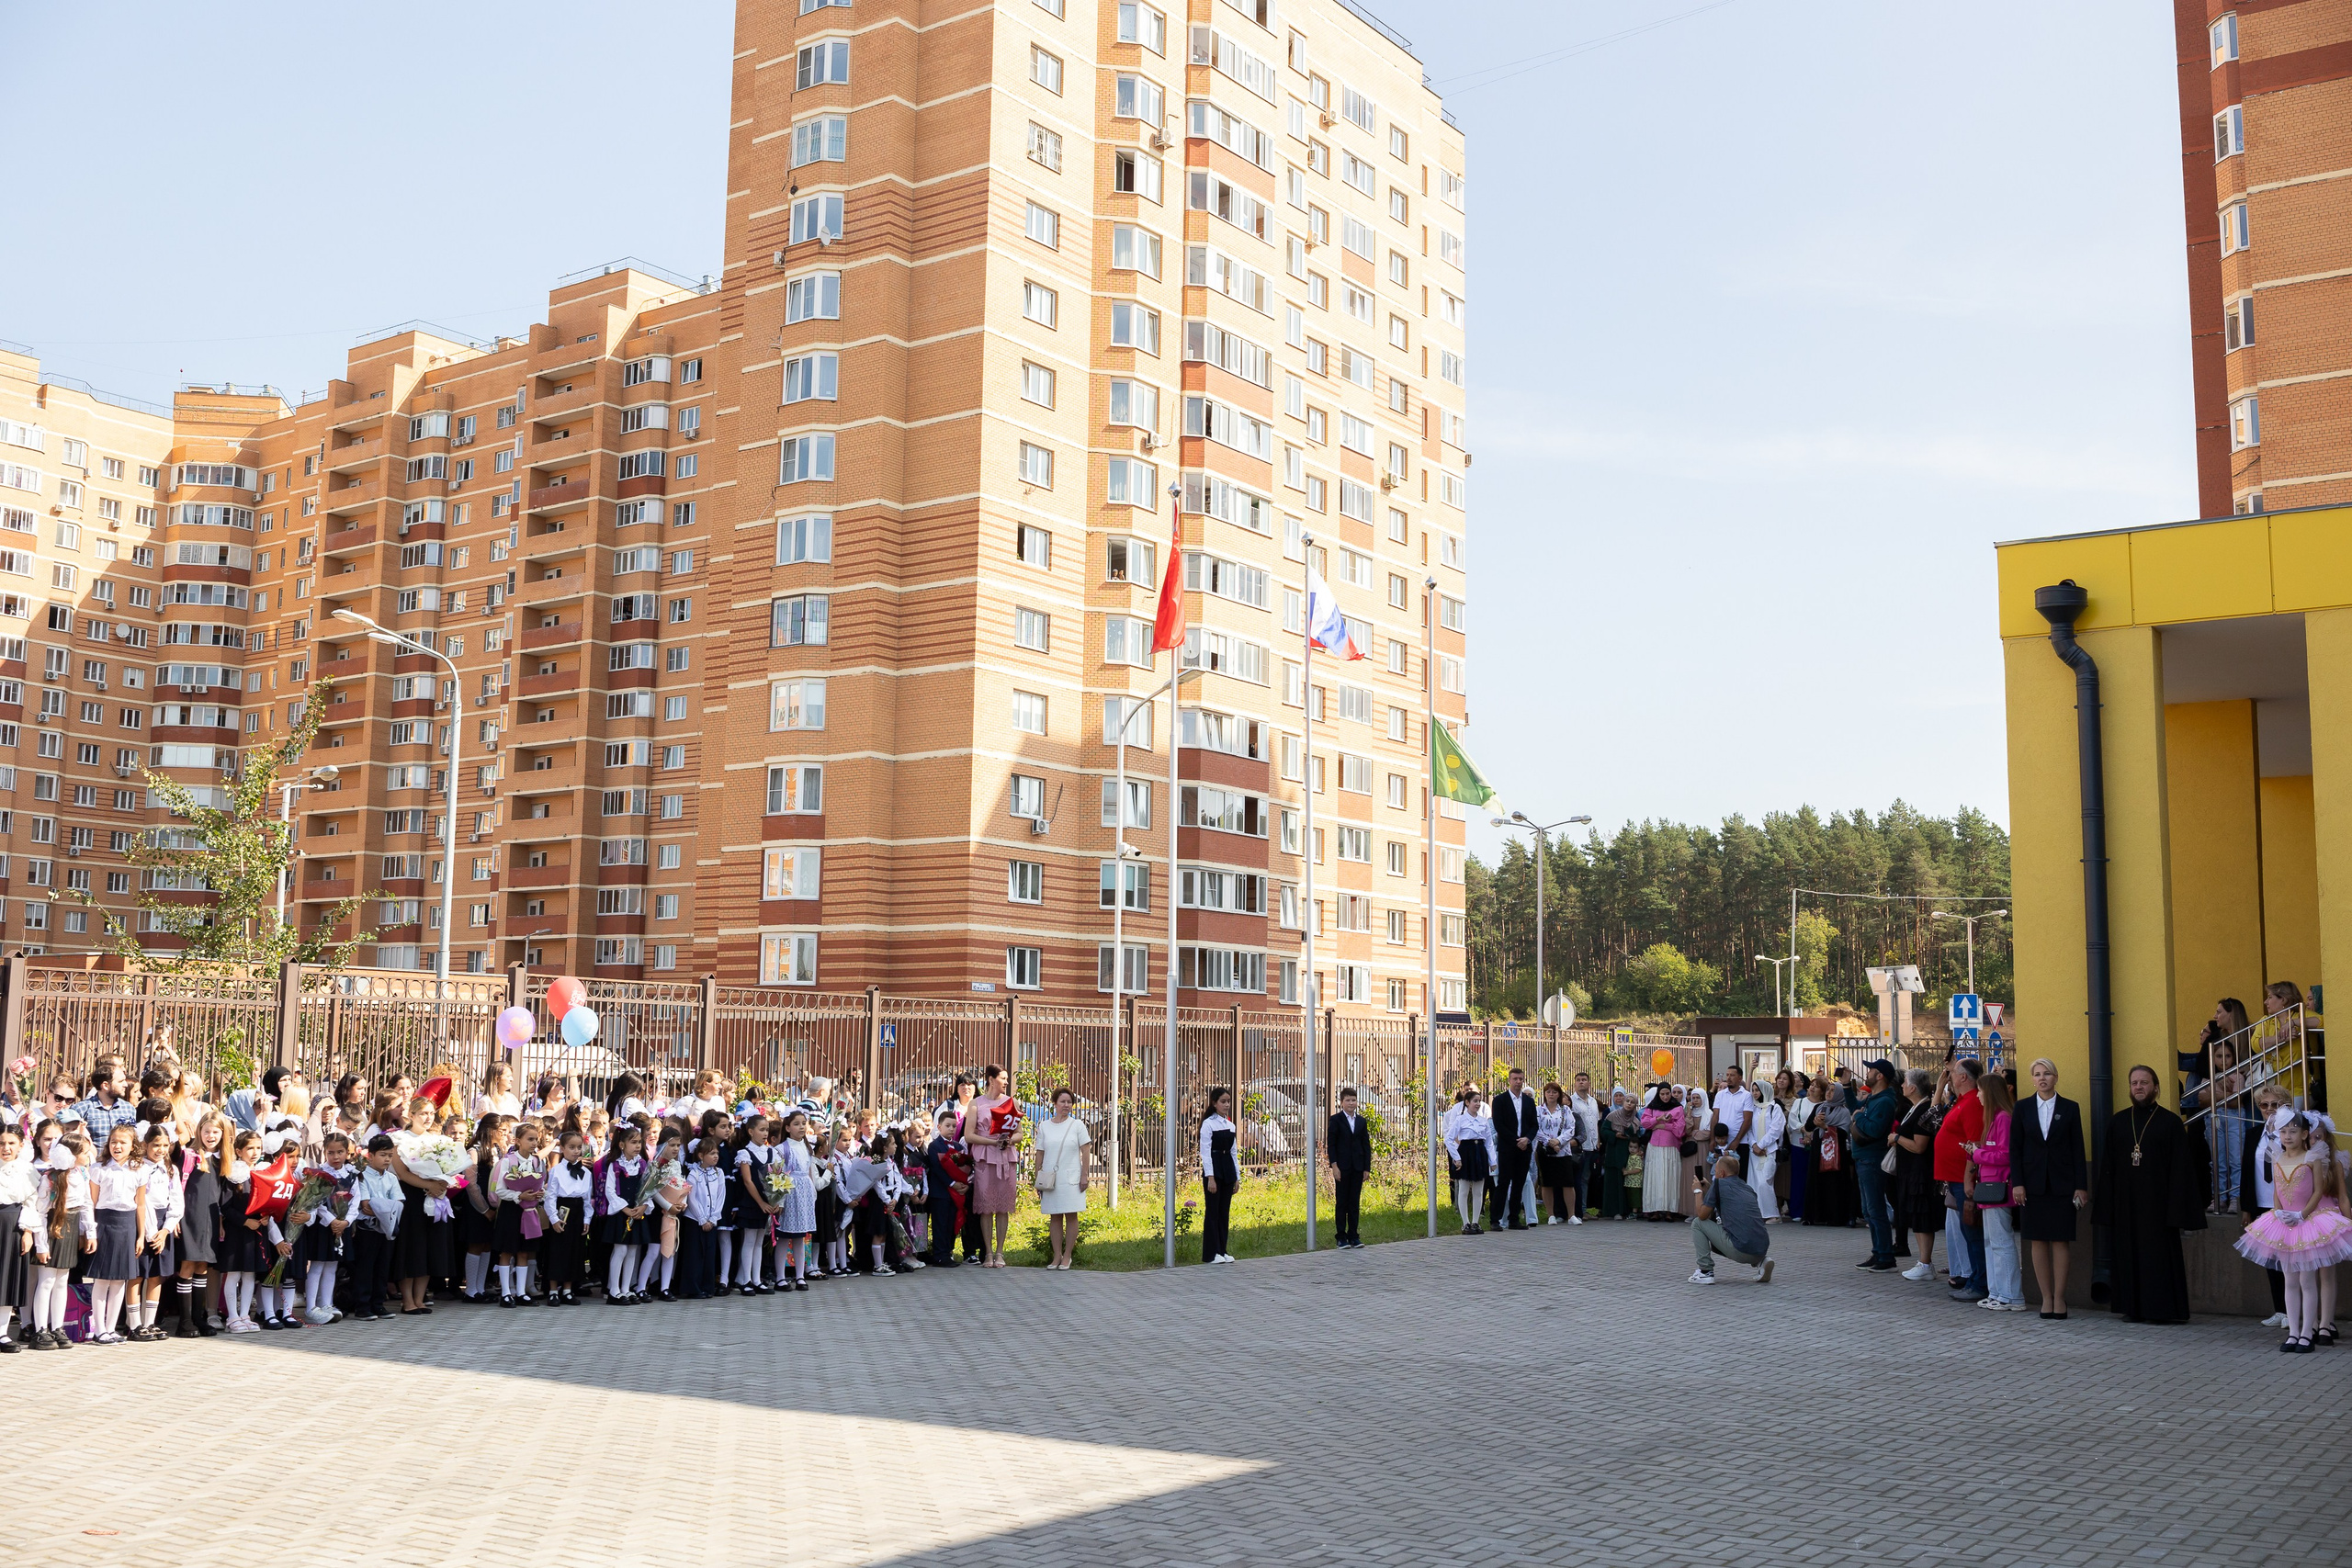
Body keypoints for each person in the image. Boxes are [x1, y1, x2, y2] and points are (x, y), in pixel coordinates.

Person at [2092, 1065, 2205, 1324]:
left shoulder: (2170, 1122)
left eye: (2144, 1082)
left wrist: (2177, 1209)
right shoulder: (2119, 1122)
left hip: (2159, 1205)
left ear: (2155, 1087)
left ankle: (2162, 1311)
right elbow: (2108, 1167)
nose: (2139, 1087)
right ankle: (2133, 1308)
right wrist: (2108, 1205)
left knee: (2158, 1258)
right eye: (2134, 1083)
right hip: (2127, 1204)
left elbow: (2181, 1169)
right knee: (2128, 1255)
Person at [2234, 1111, 2352, 1351]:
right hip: (2284, 1224)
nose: (2287, 1136)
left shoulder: (2313, 1158)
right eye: (2283, 1132)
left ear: (2304, 1134)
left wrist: (2302, 1214)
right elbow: (2277, 1190)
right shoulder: (2277, 1156)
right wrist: (2278, 1212)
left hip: (2308, 1222)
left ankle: (2310, 1331)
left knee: (2308, 1280)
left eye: (2293, 1131)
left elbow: (2318, 1191)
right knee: (2290, 1280)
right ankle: (2294, 1333)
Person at [2008, 1056, 2087, 1319]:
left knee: (2060, 1240)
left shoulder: (2070, 1108)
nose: (2042, 1078)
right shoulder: (2022, 1108)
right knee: (2038, 1240)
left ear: (2055, 1078)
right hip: (2032, 1185)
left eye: (2047, 1074)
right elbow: (2015, 1149)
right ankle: (2046, 1298)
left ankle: (2060, 1298)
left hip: (2062, 1184)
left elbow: (2078, 1149)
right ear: (2032, 1079)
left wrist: (2081, 1186)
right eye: (2037, 1074)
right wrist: (2018, 1183)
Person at [2238, 1084, 2296, 1326]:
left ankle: (2294, 1312)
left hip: (2288, 1204)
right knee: (2271, 1259)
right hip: (2262, 1204)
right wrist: (2246, 1208)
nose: (2269, 1109)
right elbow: (2247, 1172)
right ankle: (2280, 1310)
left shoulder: (2291, 1135)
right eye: (2264, 1105)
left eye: (2276, 1104)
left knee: (2290, 1260)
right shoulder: (2253, 1134)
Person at [1933, 1059, 1988, 1302]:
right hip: (1955, 1178)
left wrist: (1968, 1179)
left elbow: (1974, 1144)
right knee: (1967, 1232)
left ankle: (1980, 1284)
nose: (1950, 1076)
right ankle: (1974, 1278)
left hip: (1963, 1179)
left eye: (1953, 1072)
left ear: (1964, 1077)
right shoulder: (1962, 1100)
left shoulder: (1973, 1103)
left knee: (1973, 1232)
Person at [1969, 1070, 2024, 1311]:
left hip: (1999, 1187)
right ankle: (1997, 1293)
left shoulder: (2003, 1118)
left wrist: (1978, 1154)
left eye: (1980, 1091)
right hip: (1990, 1188)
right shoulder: (1994, 1118)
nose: (1978, 1095)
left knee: (2001, 1242)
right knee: (1992, 1242)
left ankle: (2011, 1296)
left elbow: (2006, 1155)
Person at [1844, 1060, 1903, 1270]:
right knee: (1869, 1210)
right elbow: (1855, 1108)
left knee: (1875, 1209)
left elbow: (1875, 1129)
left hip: (1872, 1159)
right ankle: (1878, 1252)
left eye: (1871, 1070)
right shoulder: (1874, 1098)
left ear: (1880, 1076)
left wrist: (1859, 1118)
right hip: (1864, 1159)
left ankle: (1886, 1256)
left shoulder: (1885, 1101)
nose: (1867, 1073)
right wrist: (1846, 1086)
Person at [964, 1066, 1021, 1268]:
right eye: (1003, 1078)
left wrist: (1009, 1141)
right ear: (991, 1079)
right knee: (986, 1208)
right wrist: (992, 1142)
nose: (1006, 1082)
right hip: (985, 1159)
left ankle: (1000, 1253)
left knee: (1003, 1208)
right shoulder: (976, 1104)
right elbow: (968, 1135)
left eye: (1006, 1078)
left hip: (1006, 1159)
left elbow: (1019, 1133)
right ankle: (987, 1253)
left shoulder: (1012, 1102)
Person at [1891, 1069, 1945, 1282]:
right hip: (1909, 1172)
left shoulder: (1923, 1109)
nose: (1902, 1085)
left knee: (1922, 1218)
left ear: (1913, 1087)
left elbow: (1919, 1146)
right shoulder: (1914, 1108)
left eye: (1905, 1082)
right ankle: (1923, 1262)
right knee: (1915, 1216)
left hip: (1920, 1173)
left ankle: (1925, 1262)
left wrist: (1897, 1138)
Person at [1689, 1153, 1774, 1285]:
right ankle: (1761, 1261)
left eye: (1716, 1172)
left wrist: (1698, 1191)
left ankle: (1705, 1272)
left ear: (1721, 1173)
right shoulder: (1747, 1188)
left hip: (1741, 1250)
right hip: (1761, 1248)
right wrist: (1710, 1188)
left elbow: (1702, 1215)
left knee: (1697, 1223)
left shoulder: (1718, 1183)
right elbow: (1730, 1203)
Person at [347, 1134, 403, 1322]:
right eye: (382, 1155)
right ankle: (362, 1305)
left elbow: (398, 1203)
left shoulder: (392, 1178)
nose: (387, 1159)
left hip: (386, 1228)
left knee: (383, 1266)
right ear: (370, 1156)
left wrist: (382, 1207)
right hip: (367, 1229)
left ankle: (378, 1303)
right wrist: (385, 1206)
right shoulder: (362, 1176)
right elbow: (367, 1206)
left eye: (390, 1155)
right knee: (365, 1266)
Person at [1033, 1088, 1091, 1269]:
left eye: (1069, 1102)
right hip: (1051, 1178)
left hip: (1071, 1178)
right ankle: (1057, 1256)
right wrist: (1037, 1176)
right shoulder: (1045, 1126)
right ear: (1055, 1103)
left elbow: (1086, 1151)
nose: (1066, 1105)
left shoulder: (1077, 1125)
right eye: (1063, 1102)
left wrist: (1084, 1175)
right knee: (1055, 1216)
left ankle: (1067, 1256)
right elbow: (1040, 1152)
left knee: (1071, 1215)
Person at [1489, 1067, 1538, 1231]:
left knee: (1519, 1183)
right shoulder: (1500, 1100)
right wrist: (1515, 1140)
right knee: (1503, 1183)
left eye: (1520, 1079)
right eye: (1515, 1079)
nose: (1518, 1082)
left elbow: (1534, 1125)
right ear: (1509, 1080)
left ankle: (1514, 1219)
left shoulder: (1529, 1101)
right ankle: (1495, 1219)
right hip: (1507, 1148)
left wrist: (1527, 1139)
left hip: (1524, 1149)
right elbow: (1499, 1125)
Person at [1328, 1087, 1374, 1247]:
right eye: (1347, 1100)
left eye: (1353, 1100)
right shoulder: (1336, 1120)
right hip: (1342, 1167)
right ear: (1342, 1102)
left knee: (1354, 1203)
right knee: (1342, 1202)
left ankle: (1354, 1235)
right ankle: (1341, 1237)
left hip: (1358, 1167)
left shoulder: (1361, 1121)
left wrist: (1366, 1168)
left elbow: (1366, 1145)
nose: (1351, 1103)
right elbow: (1332, 1145)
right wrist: (1334, 1166)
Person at [1199, 1086, 1238, 1263]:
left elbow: (1233, 1152)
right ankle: (1211, 1253)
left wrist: (1236, 1177)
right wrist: (1210, 1177)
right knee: (1213, 1212)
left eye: (1228, 1101)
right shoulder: (1208, 1124)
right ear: (1214, 1103)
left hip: (1227, 1168)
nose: (1227, 1105)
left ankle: (1222, 1250)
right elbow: (1205, 1152)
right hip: (1214, 1169)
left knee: (1224, 1212)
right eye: (1223, 1101)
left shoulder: (1230, 1125)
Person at [1636, 1085, 1687, 1222]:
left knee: (1670, 1178)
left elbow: (1680, 1128)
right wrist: (1658, 1119)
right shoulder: (1652, 1107)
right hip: (1654, 1148)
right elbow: (1645, 1123)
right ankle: (1655, 1210)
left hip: (1671, 1147)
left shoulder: (1678, 1108)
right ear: (1658, 1094)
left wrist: (1663, 1126)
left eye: (1667, 1094)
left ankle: (1670, 1211)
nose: (1665, 1097)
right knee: (1655, 1178)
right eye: (1662, 1094)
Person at [1533, 1081, 1581, 1226]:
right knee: (1547, 1183)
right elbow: (1535, 1129)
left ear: (1559, 1094)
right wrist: (1549, 1142)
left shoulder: (1565, 1110)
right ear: (1544, 1094)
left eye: (1554, 1092)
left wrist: (1558, 1141)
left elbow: (1570, 1129)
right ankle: (1551, 1215)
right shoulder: (1539, 1110)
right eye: (1548, 1092)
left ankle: (1571, 1215)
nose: (1551, 1094)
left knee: (1568, 1183)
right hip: (1546, 1151)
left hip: (1563, 1151)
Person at [1599, 1089, 1639, 1220]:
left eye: (1632, 1102)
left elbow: (1636, 1135)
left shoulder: (1635, 1119)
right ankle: (1613, 1211)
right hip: (1614, 1151)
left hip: (1628, 1153)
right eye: (1627, 1101)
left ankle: (1625, 1211)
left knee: (1626, 1182)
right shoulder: (1613, 1116)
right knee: (1613, 1181)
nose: (1629, 1104)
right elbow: (1604, 1131)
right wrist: (1614, 1135)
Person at [1566, 1072, 1602, 1218]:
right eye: (1578, 1080)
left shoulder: (1593, 1101)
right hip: (1579, 1146)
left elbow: (1595, 1123)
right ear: (1575, 1083)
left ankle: (1584, 1209)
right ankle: (1578, 1210)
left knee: (1587, 1178)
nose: (1581, 1082)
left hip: (1592, 1146)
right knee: (1579, 1179)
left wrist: (1597, 1141)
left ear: (1589, 1083)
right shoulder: (1572, 1101)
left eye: (1584, 1080)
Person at [1747, 1083, 1785, 1221]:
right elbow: (1749, 1129)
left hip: (1769, 1151)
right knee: (1754, 1183)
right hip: (1754, 1152)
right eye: (1753, 1090)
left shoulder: (1775, 1108)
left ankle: (1772, 1214)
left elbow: (1776, 1130)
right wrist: (1754, 1145)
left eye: (1757, 1090)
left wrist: (1761, 1145)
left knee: (1765, 1182)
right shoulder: (1753, 1108)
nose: (1755, 1093)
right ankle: (1757, 1214)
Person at [1712, 1066, 1757, 1177]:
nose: (1729, 1078)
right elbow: (1715, 1117)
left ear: (1740, 1078)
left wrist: (1737, 1141)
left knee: (1740, 1176)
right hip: (1722, 1142)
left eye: (1732, 1075)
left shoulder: (1746, 1096)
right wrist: (1712, 1139)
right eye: (1727, 1075)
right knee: (1722, 1176)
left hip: (1741, 1143)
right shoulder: (1720, 1095)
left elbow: (1747, 1120)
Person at [1783, 1070, 1815, 1223]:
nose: (1813, 1088)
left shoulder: (1822, 1105)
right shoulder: (1799, 1102)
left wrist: (1811, 1134)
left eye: (1817, 1086)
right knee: (1798, 1178)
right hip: (1798, 1143)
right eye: (1812, 1085)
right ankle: (1796, 1210)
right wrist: (1803, 1129)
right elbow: (1792, 1120)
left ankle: (1812, 1210)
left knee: (1813, 1179)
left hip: (1816, 1145)